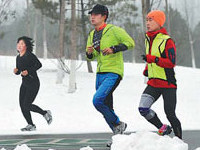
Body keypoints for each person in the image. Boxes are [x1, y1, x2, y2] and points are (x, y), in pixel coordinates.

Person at [86, 4, 135, 135]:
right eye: (91, 14)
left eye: (96, 14)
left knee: (97, 100)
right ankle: (118, 136)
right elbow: (92, 57)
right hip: (100, 73)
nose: (92, 17)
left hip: (113, 72)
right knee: (106, 106)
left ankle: (118, 123)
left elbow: (130, 42)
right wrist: (90, 53)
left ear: (104, 16)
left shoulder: (113, 30)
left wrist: (114, 49)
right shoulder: (91, 34)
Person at [139, 10, 182, 139]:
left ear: (159, 22)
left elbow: (171, 62)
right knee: (143, 108)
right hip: (153, 83)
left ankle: (180, 141)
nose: (147, 23)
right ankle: (163, 128)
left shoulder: (167, 40)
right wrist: (147, 68)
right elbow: (152, 57)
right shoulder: (147, 38)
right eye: (147, 20)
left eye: (151, 20)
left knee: (170, 114)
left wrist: (153, 59)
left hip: (167, 83)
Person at [14, 36, 52, 131]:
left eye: (22, 44)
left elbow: (39, 65)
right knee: (22, 105)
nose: (19, 45)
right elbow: (20, 71)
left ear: (26, 46)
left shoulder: (30, 55)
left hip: (33, 83)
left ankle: (45, 113)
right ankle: (31, 125)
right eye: (19, 43)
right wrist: (16, 71)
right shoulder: (18, 57)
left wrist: (29, 71)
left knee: (27, 104)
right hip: (25, 83)